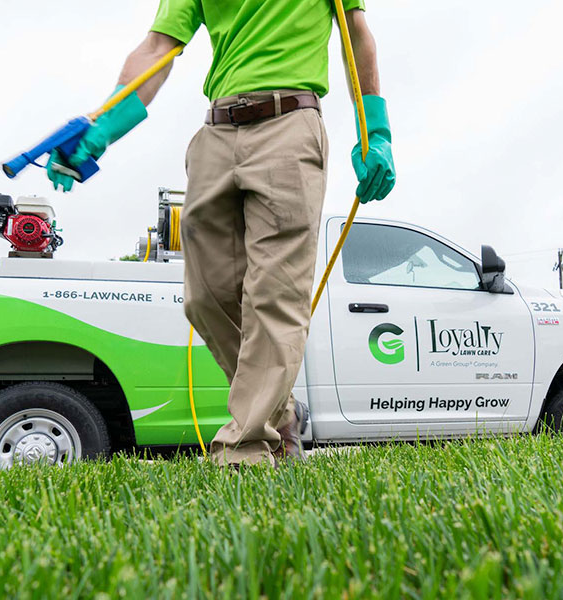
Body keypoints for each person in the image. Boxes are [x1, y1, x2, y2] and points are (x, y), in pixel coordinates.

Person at [47, 0, 396, 467]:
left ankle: (244, 450)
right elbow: (157, 48)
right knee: (205, 297)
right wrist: (104, 125)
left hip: (289, 123)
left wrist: (375, 129)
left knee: (273, 294)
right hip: (217, 132)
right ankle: (281, 411)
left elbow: (356, 34)